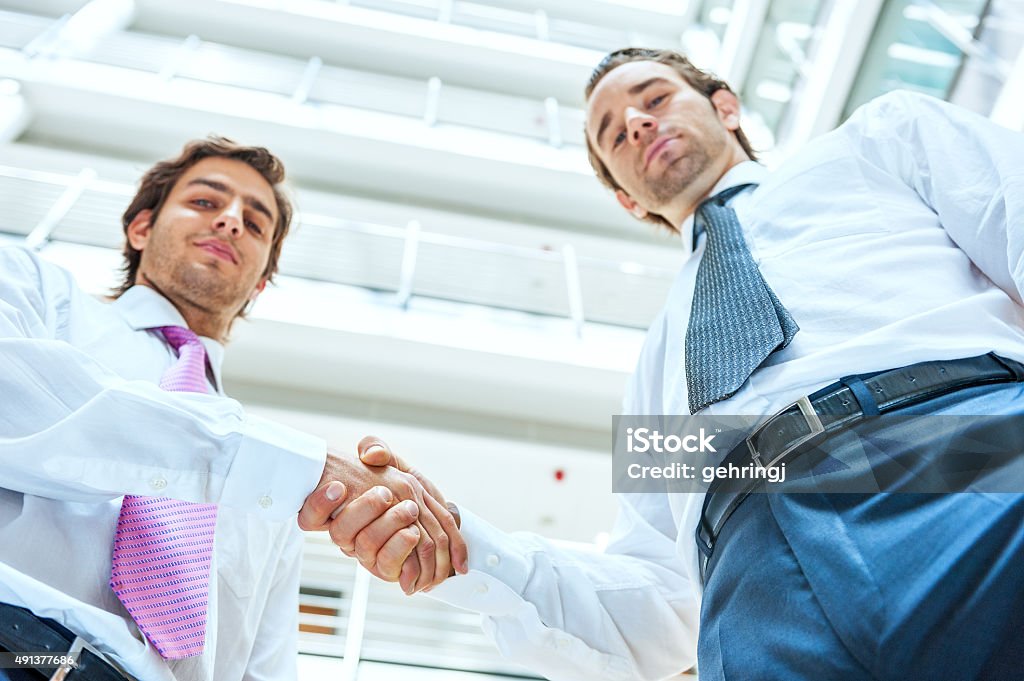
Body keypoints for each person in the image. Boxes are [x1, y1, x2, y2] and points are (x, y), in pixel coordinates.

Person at [315, 48, 1024, 680]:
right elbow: (659, 591)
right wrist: (463, 543)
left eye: (653, 99)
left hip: (967, 451)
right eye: (613, 134)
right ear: (628, 199)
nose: (635, 124)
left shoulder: (879, 139)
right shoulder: (656, 363)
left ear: (726, 106)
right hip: (758, 587)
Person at [0, 137, 465, 681]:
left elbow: (261, 668)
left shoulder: (274, 496)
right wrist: (305, 467)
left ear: (261, 281)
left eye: (256, 222)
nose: (231, 221)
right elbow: (20, 407)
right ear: (141, 228)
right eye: (205, 202)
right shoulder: (33, 290)